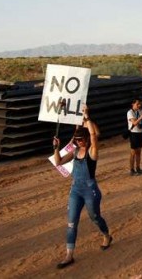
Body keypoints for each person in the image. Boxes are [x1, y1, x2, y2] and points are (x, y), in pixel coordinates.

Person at [52, 105, 112, 269]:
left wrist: (86, 117)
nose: (78, 142)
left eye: (80, 139)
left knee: (95, 217)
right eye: (76, 140)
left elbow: (93, 135)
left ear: (86, 139)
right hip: (76, 190)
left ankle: (106, 235)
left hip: (90, 190)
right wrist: (56, 148)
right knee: (71, 223)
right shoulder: (75, 150)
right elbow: (58, 162)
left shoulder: (92, 152)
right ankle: (69, 255)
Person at [128, 99, 142, 176]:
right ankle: (131, 170)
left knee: (139, 152)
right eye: (137, 104)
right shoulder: (130, 112)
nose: (139, 105)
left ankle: (138, 168)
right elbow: (135, 122)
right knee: (133, 152)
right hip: (133, 133)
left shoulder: (140, 111)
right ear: (132, 104)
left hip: (140, 133)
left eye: (139, 104)